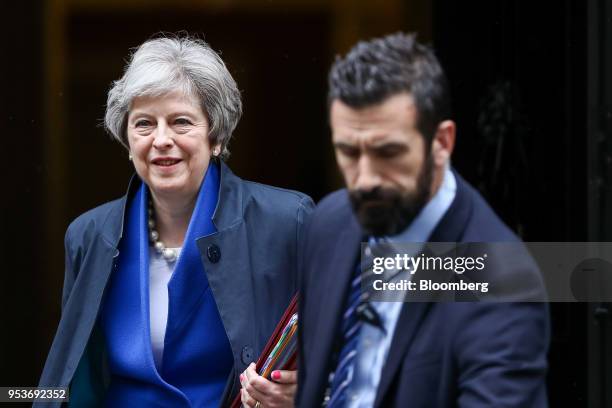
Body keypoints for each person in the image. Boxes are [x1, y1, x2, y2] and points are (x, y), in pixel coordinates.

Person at [37, 35, 312, 408]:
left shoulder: (288, 220)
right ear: (127, 138)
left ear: (215, 135)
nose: (161, 139)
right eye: (144, 124)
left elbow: (356, 347)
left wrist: (306, 392)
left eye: (181, 122)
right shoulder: (88, 235)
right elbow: (72, 376)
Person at [296, 33, 550, 407]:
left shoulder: (501, 279)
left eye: (389, 152)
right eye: (348, 151)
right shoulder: (329, 223)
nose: (365, 178)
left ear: (442, 142)